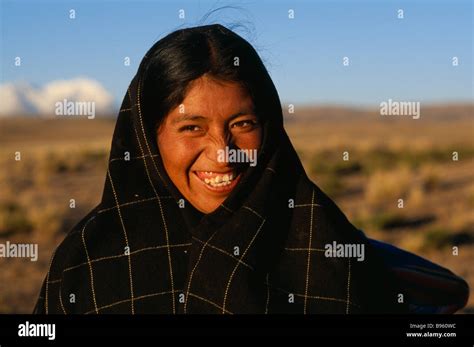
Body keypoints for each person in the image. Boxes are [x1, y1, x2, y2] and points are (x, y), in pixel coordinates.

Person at [34, 24, 467, 314]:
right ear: (147, 137)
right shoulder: (89, 260)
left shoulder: (319, 242)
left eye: (242, 124)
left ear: (270, 126)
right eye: (191, 127)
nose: (223, 153)